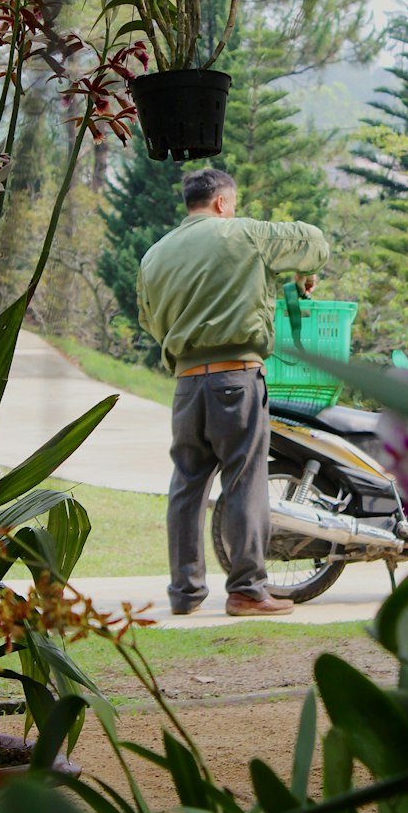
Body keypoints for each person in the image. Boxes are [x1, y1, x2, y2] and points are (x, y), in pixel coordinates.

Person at [137, 168, 330, 617]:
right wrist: (301, 270)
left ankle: (184, 592)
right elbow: (314, 242)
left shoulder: (155, 255)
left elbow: (149, 319)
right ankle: (247, 589)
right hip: (236, 378)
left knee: (187, 484)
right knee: (244, 480)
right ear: (223, 203)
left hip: (187, 383)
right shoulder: (245, 234)